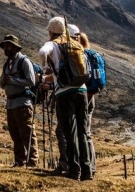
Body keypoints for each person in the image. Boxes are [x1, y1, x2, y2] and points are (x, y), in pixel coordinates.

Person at [38, 17, 91, 181]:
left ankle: (74, 170)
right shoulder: (74, 44)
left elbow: (42, 52)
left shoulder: (53, 44)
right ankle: (87, 170)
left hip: (64, 93)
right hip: (82, 90)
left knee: (69, 132)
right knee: (83, 131)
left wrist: (45, 68)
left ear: (51, 31)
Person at [0, 34, 38, 167]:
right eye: (5, 46)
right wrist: (3, 81)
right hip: (10, 104)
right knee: (15, 134)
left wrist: (13, 80)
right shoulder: (6, 64)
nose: (6, 49)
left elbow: (31, 81)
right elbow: (2, 83)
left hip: (22, 103)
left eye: (8, 46)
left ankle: (32, 161)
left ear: (15, 48)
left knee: (27, 133)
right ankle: (19, 161)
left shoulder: (24, 62)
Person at [77, 29, 97, 178]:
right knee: (86, 131)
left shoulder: (82, 57)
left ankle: (89, 166)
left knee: (85, 132)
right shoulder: (91, 55)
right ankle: (91, 166)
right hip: (91, 96)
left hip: (85, 96)